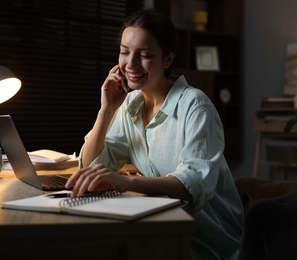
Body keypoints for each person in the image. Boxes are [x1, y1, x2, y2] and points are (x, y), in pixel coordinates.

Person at [65, 9, 243, 260]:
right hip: (160, 226)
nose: (131, 64)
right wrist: (106, 110)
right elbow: (92, 165)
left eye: (145, 55)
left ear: (168, 60)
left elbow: (193, 183)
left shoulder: (195, 105)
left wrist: (127, 182)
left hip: (207, 239)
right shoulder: (130, 104)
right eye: (125, 52)